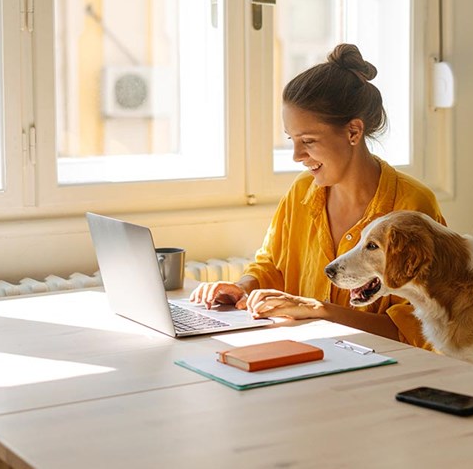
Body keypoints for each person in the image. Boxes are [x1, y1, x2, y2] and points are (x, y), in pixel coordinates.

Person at [189, 43, 445, 348]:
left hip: (382, 372)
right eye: (292, 140)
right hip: (304, 356)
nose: (297, 155)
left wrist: (321, 312)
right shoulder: (301, 192)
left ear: (353, 132)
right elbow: (272, 266)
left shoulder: (413, 206)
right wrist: (241, 287)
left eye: (308, 140)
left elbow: (417, 331)